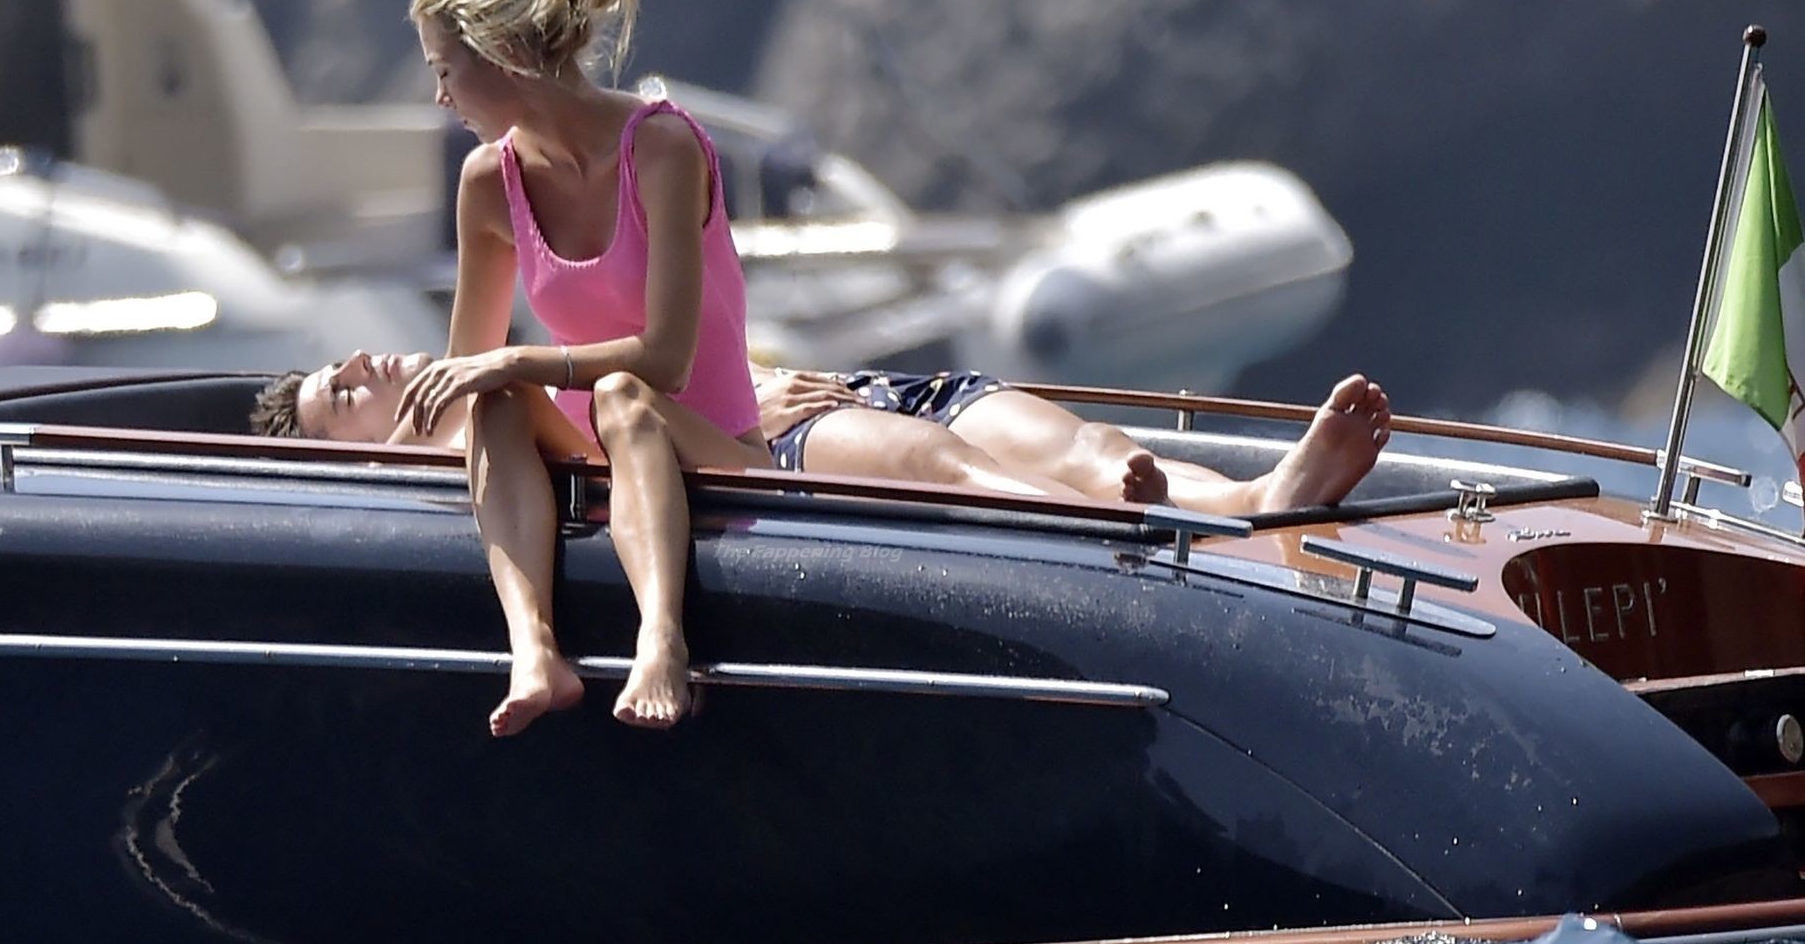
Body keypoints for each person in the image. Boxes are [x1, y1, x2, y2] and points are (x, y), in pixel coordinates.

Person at [389, 0, 770, 736]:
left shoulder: (662, 147)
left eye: (446, 70)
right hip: (593, 459)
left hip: (715, 453)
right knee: (495, 398)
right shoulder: (487, 183)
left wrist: (522, 359)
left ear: (501, 53)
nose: (441, 97)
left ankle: (661, 642)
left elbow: (667, 360)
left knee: (624, 395)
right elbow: (465, 372)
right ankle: (534, 651)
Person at [253, 354, 1391, 517]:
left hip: (843, 384)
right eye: (337, 396)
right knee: (952, 469)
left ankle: (1257, 496)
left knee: (1100, 451)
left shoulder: (496, 354)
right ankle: (1154, 527)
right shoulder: (497, 450)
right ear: (363, 454)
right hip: (783, 447)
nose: (360, 367)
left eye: (343, 363)